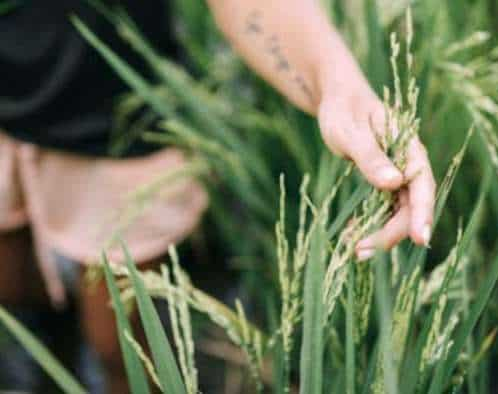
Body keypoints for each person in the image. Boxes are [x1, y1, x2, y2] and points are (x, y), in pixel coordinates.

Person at [0, 0, 435, 392]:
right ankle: (49, 351)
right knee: (14, 285)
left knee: (121, 346)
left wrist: (338, 85)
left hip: (117, 134)